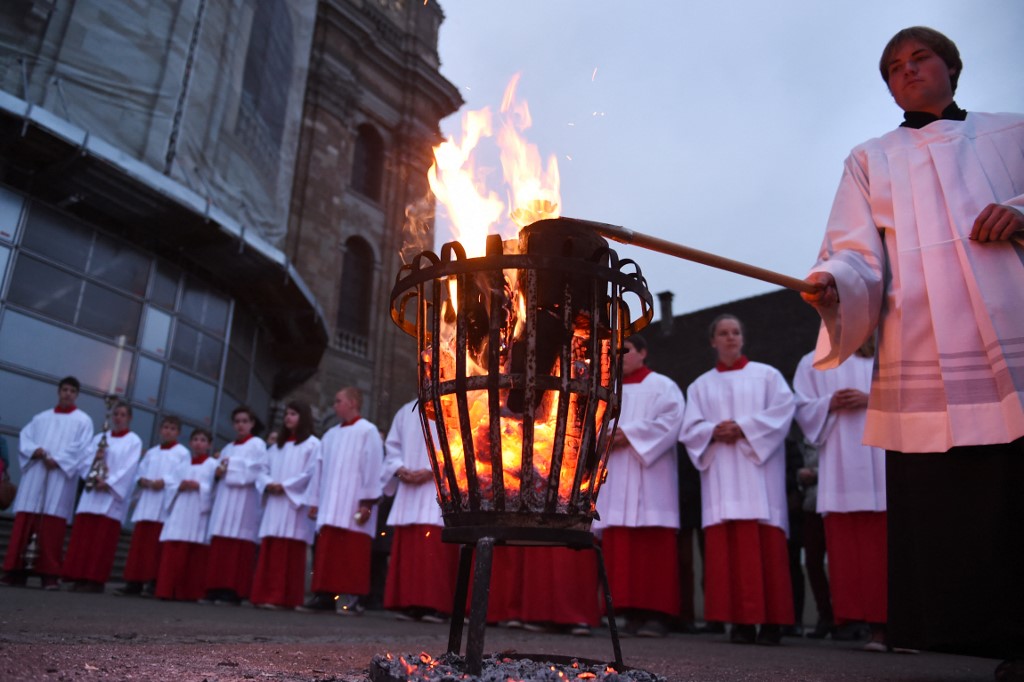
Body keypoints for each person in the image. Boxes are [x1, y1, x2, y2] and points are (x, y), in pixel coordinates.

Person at [801, 26, 1024, 671]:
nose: (907, 70)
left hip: (1010, 329)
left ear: (952, 66)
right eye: (893, 66)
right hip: (926, 339)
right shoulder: (869, 159)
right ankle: (969, 636)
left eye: (919, 58)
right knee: (947, 494)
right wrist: (832, 284)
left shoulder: (1012, 132)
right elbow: (855, 253)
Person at [679, 315, 796, 646]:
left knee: (767, 548)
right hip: (722, 477)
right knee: (725, 549)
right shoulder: (700, 386)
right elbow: (689, 429)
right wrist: (712, 430)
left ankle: (772, 622)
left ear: (743, 339)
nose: (730, 338)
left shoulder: (768, 376)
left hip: (760, 477)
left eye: (736, 332)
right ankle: (740, 623)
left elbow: (784, 412)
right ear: (712, 342)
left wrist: (744, 427)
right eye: (723, 333)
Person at [794, 340, 887, 649]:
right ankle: (859, 621)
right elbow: (802, 407)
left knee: (884, 550)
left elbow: (910, 393)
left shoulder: (882, 352)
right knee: (848, 553)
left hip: (879, 464)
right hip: (839, 470)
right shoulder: (812, 360)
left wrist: (868, 398)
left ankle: (891, 624)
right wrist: (828, 404)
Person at [593, 335, 686, 638]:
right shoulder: (606, 391)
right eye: (616, 352)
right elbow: (588, 425)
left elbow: (672, 421)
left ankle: (657, 613)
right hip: (617, 474)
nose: (621, 356)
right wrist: (604, 436)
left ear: (644, 352)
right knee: (619, 543)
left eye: (627, 350)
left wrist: (629, 434)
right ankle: (623, 610)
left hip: (650, 475)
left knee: (652, 544)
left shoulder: (663, 386)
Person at [2, 376, 93, 589]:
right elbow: (26, 438)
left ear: (77, 395)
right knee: (25, 522)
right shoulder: (40, 418)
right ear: (58, 392)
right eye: (64, 390)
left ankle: (49, 574)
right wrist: (36, 451)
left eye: (72, 390)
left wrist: (59, 460)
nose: (67, 394)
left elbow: (82, 448)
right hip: (35, 476)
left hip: (59, 479)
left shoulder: (83, 420)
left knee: (52, 528)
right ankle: (16, 572)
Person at [301, 387, 383, 615]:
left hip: (353, 502)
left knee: (352, 552)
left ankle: (352, 598)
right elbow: (318, 469)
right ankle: (325, 596)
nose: (334, 405)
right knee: (328, 550)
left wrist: (367, 501)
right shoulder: (330, 435)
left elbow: (374, 466)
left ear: (353, 402)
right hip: (329, 502)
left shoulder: (368, 431)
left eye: (338, 401)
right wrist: (315, 500)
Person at [380, 398, 458, 623]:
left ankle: (436, 605)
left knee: (435, 547)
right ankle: (408, 602)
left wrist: (432, 468)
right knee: (410, 551)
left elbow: (458, 443)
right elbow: (392, 446)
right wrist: (399, 469)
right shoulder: (406, 411)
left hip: (437, 487)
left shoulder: (451, 404)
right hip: (408, 489)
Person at [61, 401, 142, 592]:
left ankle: (95, 579)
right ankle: (78, 576)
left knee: (101, 541)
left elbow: (129, 468)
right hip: (92, 494)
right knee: (84, 537)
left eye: (122, 414)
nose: (118, 418)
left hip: (110, 497)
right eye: (116, 414)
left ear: (129, 418)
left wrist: (109, 481)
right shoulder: (100, 437)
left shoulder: (133, 440)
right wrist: (95, 462)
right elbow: (83, 461)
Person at [250, 401, 318, 610]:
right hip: (274, 502)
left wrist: (286, 486)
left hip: (293, 504)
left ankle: (284, 597)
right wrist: (269, 483)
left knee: (289, 550)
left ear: (303, 417)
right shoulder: (276, 446)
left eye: (293, 414)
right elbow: (261, 469)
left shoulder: (312, 444)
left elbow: (311, 473)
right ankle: (264, 595)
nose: (288, 417)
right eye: (287, 414)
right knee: (271, 548)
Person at [117, 415, 190, 597]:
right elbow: (140, 472)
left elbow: (181, 475)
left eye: (172, 428)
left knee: (157, 548)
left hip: (163, 505)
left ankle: (153, 582)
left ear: (178, 433)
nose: (168, 431)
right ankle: (134, 582)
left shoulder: (182, 453)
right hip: (146, 503)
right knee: (140, 547)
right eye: (165, 427)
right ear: (160, 430)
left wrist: (164, 482)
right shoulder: (152, 452)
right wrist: (141, 480)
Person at [203, 406, 268, 605]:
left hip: (243, 501)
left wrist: (230, 467)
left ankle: (233, 590)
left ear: (252, 423)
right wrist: (217, 472)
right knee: (221, 543)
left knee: (237, 546)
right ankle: (214, 587)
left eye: (244, 421)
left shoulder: (258, 444)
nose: (240, 425)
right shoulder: (228, 447)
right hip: (224, 500)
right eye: (237, 421)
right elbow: (216, 471)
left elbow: (257, 471)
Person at [155, 428, 219, 601]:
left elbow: (215, 490)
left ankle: (189, 592)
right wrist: (179, 487)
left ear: (209, 445)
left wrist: (200, 487)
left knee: (195, 553)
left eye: (203, 440)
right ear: (190, 443)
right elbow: (170, 485)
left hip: (198, 513)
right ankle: (167, 590)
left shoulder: (213, 465)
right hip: (180, 510)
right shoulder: (182, 465)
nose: (199, 443)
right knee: (174, 551)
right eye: (196, 439)